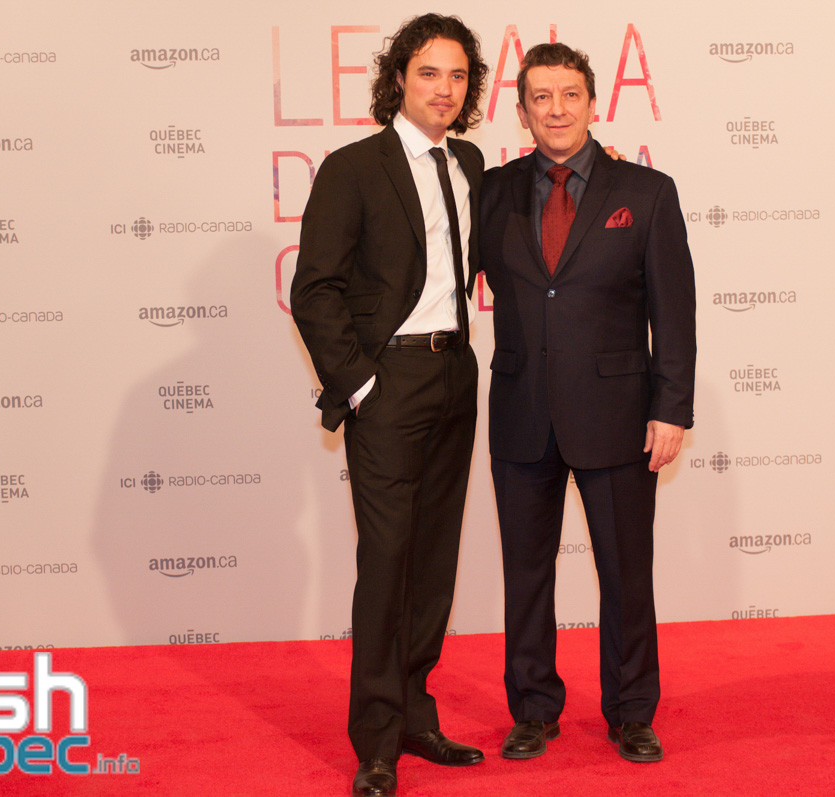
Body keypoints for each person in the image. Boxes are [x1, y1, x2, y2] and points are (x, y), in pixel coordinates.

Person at [289, 13, 488, 797]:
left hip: (456, 375)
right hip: (391, 381)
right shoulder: (353, 168)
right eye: (429, 72)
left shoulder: (469, 161)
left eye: (458, 75)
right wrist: (363, 383)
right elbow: (314, 289)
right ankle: (375, 741)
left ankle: (414, 714)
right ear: (399, 77)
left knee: (433, 561)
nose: (445, 89)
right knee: (386, 561)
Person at [480, 42, 696, 764]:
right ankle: (532, 709)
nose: (557, 109)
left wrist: (672, 407)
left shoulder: (647, 191)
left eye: (569, 94)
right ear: (522, 112)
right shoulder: (492, 191)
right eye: (540, 97)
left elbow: (675, 312)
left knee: (627, 574)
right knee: (525, 574)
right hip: (520, 412)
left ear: (593, 103)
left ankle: (632, 711)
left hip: (618, 416)